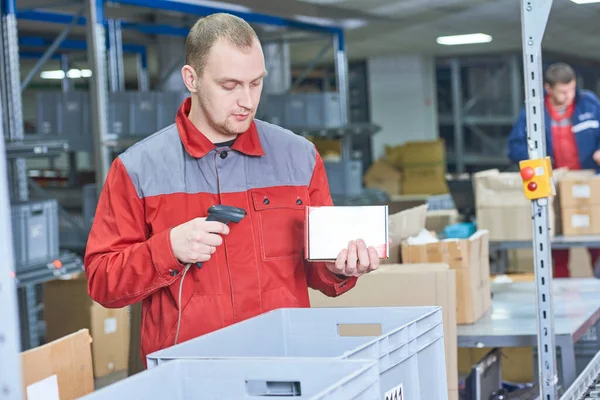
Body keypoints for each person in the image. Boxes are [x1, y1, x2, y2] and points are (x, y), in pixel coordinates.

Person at [84, 13, 381, 363]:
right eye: (230, 85)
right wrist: (167, 249)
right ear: (191, 79)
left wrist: (339, 268)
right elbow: (103, 282)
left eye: (256, 83)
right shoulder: (138, 169)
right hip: (189, 375)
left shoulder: (299, 157)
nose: (247, 101)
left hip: (285, 364)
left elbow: (317, 271)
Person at [507, 62, 600, 278]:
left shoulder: (589, 104)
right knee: (556, 247)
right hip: (553, 188)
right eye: (563, 91)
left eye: (572, 89)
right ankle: (558, 297)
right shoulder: (534, 111)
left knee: (596, 240)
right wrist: (537, 161)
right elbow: (514, 147)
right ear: (548, 88)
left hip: (588, 185)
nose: (569, 95)